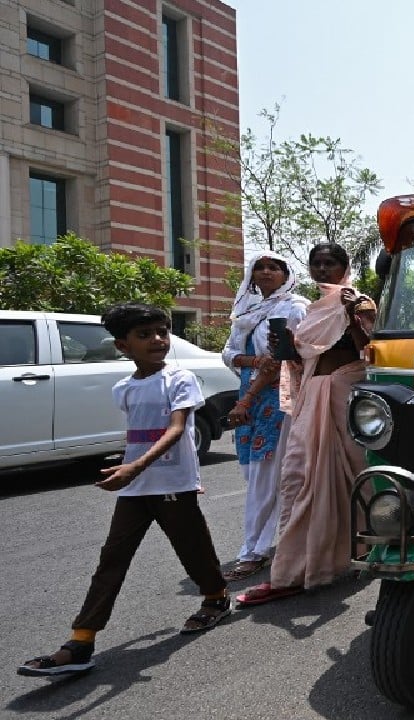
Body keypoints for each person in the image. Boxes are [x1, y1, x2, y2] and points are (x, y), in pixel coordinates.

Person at [18, 304, 229, 677]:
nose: (158, 340)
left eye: (162, 332)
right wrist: (126, 462)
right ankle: (80, 642)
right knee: (112, 559)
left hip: (171, 484)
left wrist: (134, 466)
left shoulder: (180, 379)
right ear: (123, 346)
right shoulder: (124, 388)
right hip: (135, 486)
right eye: (145, 335)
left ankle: (215, 598)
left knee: (193, 549)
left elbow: (176, 430)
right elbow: (137, 433)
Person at [236, 243, 376, 606]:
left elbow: (372, 350)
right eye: (316, 264)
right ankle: (296, 567)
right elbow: (300, 357)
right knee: (302, 479)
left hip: (345, 393)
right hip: (312, 395)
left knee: (350, 477)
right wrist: (285, 348)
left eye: (330, 263)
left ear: (344, 267)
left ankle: (364, 547)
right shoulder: (313, 309)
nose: (323, 269)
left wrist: (352, 312)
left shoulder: (360, 301)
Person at [219, 251, 309, 582]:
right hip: (248, 393)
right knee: (253, 471)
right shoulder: (246, 309)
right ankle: (279, 538)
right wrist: (251, 363)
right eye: (260, 267)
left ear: (287, 275)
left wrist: (249, 395)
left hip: (277, 395)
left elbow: (282, 360)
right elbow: (228, 353)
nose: (267, 272)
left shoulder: (294, 308)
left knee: (265, 472)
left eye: (275, 267)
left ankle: (253, 550)